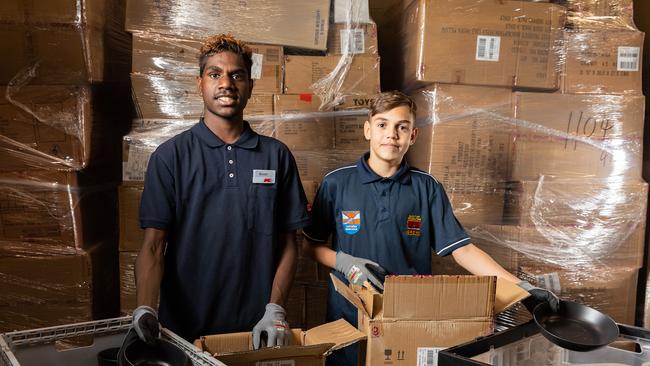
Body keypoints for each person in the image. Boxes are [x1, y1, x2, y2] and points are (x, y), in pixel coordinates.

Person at [302, 90, 558, 365]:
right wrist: (345, 262)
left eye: (402, 127)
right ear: (367, 130)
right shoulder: (337, 183)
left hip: (410, 318)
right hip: (349, 317)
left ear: (413, 136)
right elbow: (310, 246)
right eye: (382, 125)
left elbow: (463, 250)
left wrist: (520, 286)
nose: (391, 134)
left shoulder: (426, 187)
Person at [132, 34, 309, 348]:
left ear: (250, 85)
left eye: (237, 75)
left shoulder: (276, 156)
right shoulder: (170, 156)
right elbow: (153, 246)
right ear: (200, 83)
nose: (226, 83)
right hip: (184, 333)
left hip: (256, 331)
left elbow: (288, 243)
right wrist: (145, 308)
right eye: (215, 74)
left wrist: (276, 308)